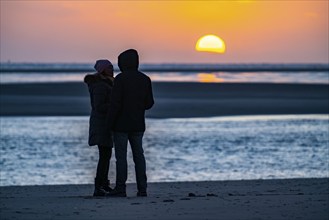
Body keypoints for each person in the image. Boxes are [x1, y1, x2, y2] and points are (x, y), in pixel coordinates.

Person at [108, 49, 154, 197]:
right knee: (139, 156)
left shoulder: (120, 79)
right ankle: (142, 189)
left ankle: (121, 188)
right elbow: (149, 103)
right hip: (138, 124)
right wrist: (137, 106)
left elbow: (115, 104)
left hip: (121, 125)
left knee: (121, 158)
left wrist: (109, 124)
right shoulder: (145, 79)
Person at [84, 59, 114, 196]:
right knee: (104, 155)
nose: (112, 70)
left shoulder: (106, 83)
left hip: (105, 123)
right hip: (101, 123)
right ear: (102, 70)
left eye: (112, 67)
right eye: (109, 68)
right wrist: (115, 106)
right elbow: (99, 106)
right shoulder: (101, 85)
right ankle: (99, 186)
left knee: (106, 155)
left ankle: (103, 184)